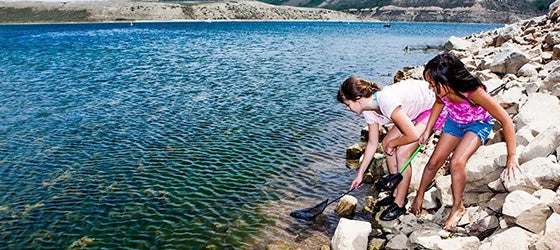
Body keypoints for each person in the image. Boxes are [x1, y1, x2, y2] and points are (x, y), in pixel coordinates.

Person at [410, 52, 520, 230]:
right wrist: (427, 130)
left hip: (478, 124)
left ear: (448, 80)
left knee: (457, 162)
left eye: (433, 84)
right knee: (433, 163)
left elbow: (505, 120)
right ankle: (419, 196)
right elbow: (438, 104)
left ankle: (458, 207)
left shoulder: (473, 92)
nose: (431, 88)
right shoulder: (442, 89)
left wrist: (512, 155)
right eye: (429, 84)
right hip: (455, 122)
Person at [337, 76, 446, 221]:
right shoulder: (369, 110)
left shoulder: (386, 101)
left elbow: (413, 135)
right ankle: (395, 192)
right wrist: (360, 174)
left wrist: (393, 144)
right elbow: (372, 143)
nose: (347, 108)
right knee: (386, 141)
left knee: (402, 153)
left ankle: (400, 203)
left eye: (347, 104)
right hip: (415, 111)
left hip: (434, 106)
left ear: (358, 98)